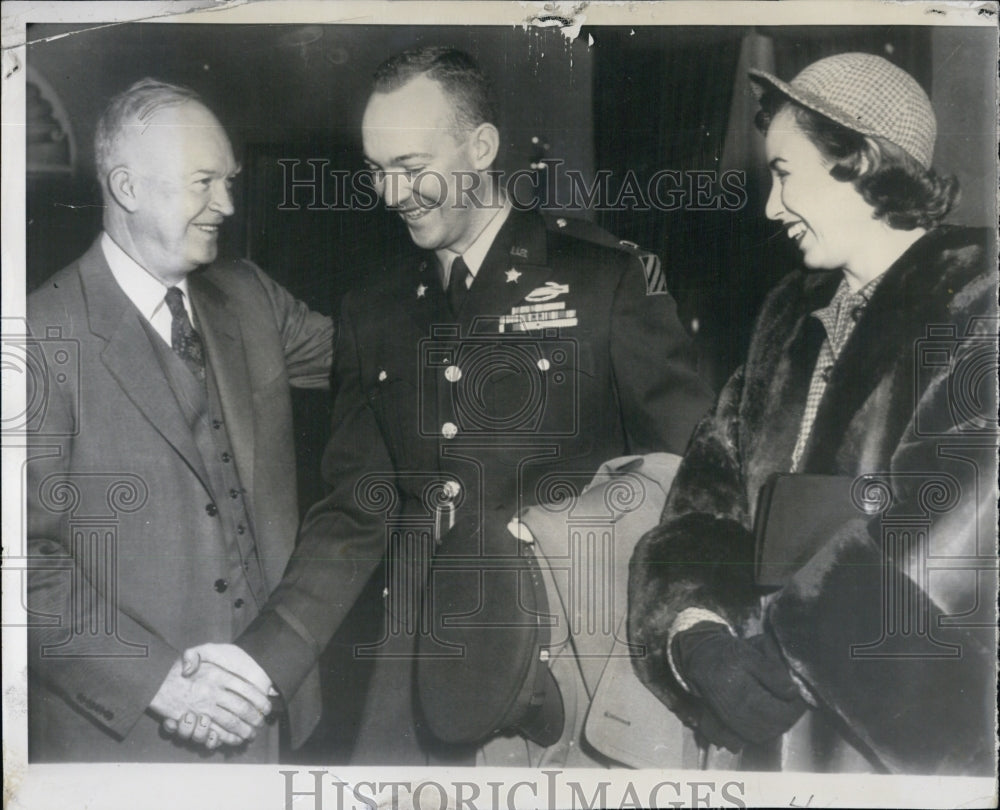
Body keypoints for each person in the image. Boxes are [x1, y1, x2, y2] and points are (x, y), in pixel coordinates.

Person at [202, 45, 713, 765]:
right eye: (378, 171)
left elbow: (696, 484)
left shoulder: (603, 282)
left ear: (481, 147)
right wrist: (265, 659)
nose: (391, 193)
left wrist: (698, 642)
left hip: (568, 672)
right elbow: (355, 512)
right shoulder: (372, 310)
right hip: (414, 678)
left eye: (412, 168)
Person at [629, 52, 997, 774]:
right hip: (764, 737)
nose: (770, 207)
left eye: (785, 174)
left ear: (858, 161)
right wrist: (694, 630)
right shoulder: (786, 316)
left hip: (897, 743)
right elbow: (709, 490)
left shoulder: (978, 298)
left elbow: (965, 515)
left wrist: (784, 652)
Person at [25, 78, 333, 761]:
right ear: (129, 187)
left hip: (271, 726)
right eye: (204, 182)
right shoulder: (36, 338)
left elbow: (381, 355)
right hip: (125, 741)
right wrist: (161, 681)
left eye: (229, 181)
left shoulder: (250, 294)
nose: (225, 203)